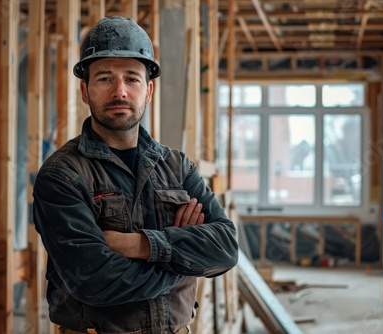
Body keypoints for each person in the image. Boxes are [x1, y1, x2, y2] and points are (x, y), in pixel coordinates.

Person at [33, 16, 238, 334]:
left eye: (132, 79)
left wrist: (142, 245)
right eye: (104, 79)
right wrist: (184, 261)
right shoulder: (62, 175)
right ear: (85, 91)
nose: (120, 91)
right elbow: (94, 280)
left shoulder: (177, 167)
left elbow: (225, 249)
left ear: (149, 89)